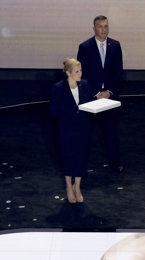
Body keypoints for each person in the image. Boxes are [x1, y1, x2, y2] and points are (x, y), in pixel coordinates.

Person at [77, 15, 124, 172]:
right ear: (94, 29)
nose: (104, 30)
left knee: (111, 131)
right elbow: (82, 75)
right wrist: (96, 93)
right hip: (92, 98)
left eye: (106, 26)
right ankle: (81, 163)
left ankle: (115, 163)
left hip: (109, 98)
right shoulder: (85, 47)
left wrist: (109, 92)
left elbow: (118, 72)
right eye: (100, 27)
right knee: (86, 132)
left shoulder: (115, 46)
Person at [49, 58, 91, 203]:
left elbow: (88, 102)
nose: (80, 74)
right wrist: (69, 113)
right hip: (66, 128)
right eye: (77, 71)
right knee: (68, 157)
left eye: (81, 71)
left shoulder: (84, 85)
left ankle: (77, 186)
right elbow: (53, 110)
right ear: (68, 73)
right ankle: (68, 186)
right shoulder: (59, 87)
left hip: (82, 128)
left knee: (81, 156)